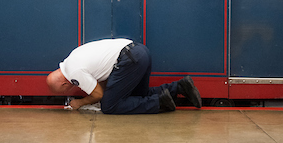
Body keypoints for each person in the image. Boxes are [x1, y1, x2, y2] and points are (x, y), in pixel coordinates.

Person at [46, 38, 202, 114]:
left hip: (130, 59)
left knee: (109, 106)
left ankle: (159, 103)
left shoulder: (74, 73)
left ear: (63, 84)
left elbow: (98, 94)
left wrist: (79, 103)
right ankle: (180, 87)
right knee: (136, 96)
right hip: (139, 51)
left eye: (62, 91)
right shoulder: (72, 57)